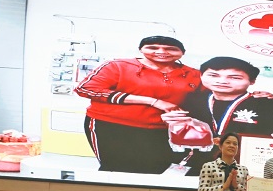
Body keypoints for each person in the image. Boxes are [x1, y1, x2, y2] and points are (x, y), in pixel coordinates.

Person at [161, 57, 273, 174]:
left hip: (248, 173)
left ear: (252, 81)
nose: (222, 81)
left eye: (234, 77)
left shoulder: (270, 104)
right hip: (199, 169)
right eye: (213, 75)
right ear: (201, 76)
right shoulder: (191, 100)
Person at [74, 36, 201, 174]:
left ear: (183, 52)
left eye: (171, 49)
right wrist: (153, 101)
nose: (161, 52)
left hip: (163, 130)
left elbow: (206, 100)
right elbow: (85, 88)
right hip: (112, 126)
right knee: (116, 168)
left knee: (155, 169)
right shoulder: (117, 66)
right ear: (140, 50)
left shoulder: (194, 74)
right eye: (152, 48)